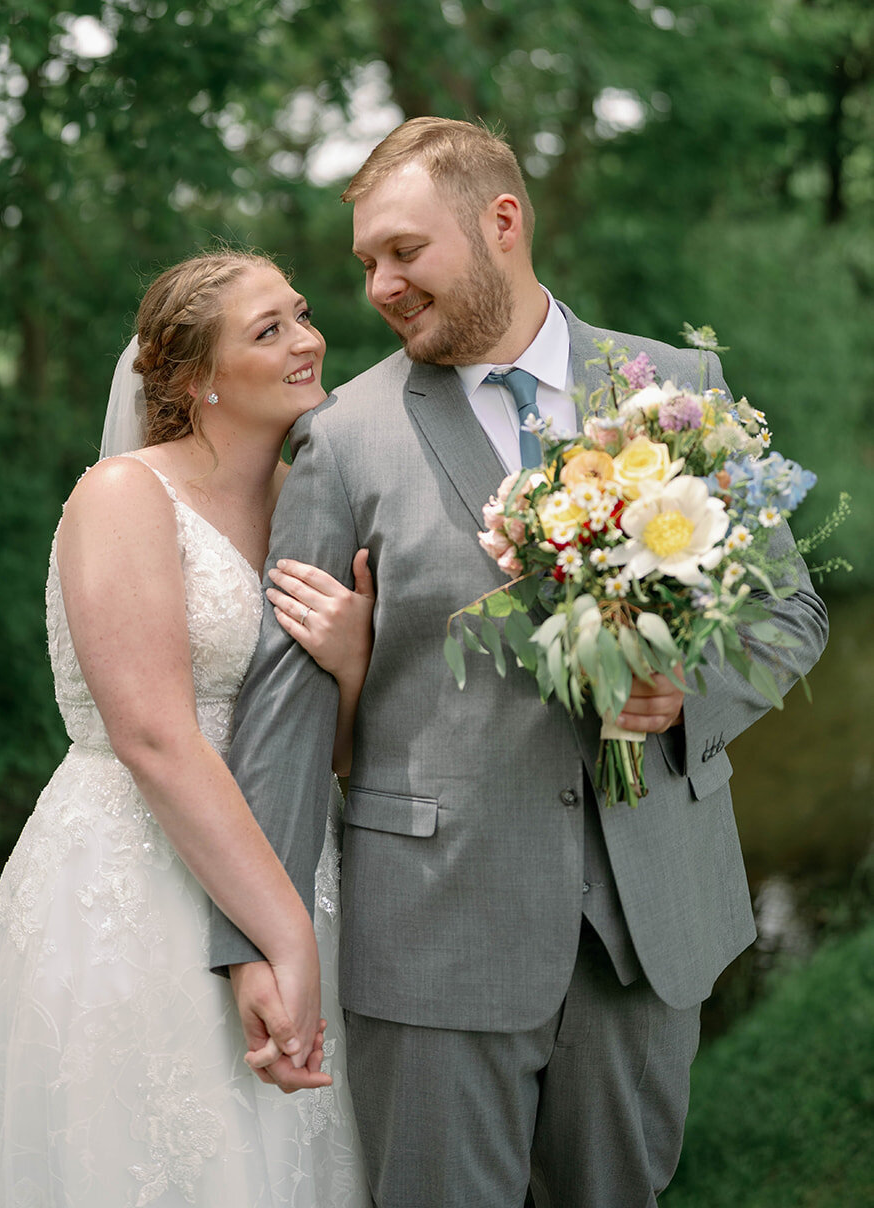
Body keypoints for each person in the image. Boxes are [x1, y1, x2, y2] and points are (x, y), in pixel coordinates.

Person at [211, 118, 830, 1208]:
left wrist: (683, 695)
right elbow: (285, 710)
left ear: (500, 222)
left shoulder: (677, 388)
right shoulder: (342, 436)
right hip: (434, 930)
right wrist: (256, 944)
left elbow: (789, 611)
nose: (379, 287)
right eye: (364, 263)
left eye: (403, 251)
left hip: (648, 927)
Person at [0, 251, 374, 1208]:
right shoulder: (123, 495)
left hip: (292, 855)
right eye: (268, 329)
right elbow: (154, 739)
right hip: (137, 873)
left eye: (302, 314)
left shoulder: (308, 501)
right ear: (195, 377)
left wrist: (355, 661)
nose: (309, 340)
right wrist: (279, 936)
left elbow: (334, 749)